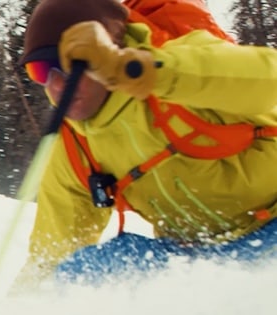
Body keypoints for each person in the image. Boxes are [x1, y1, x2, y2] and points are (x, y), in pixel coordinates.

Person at [15, 0, 277, 287]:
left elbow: (268, 81)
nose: (57, 83)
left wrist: (142, 72)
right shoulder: (76, 146)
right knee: (78, 275)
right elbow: (50, 256)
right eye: (41, 70)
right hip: (195, 258)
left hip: (271, 226)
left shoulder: (177, 64)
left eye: (71, 65)